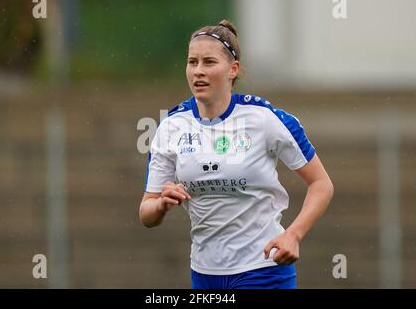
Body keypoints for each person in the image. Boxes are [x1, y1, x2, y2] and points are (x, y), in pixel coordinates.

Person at [139, 19, 334, 289]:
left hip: (263, 268)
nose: (198, 71)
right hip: (204, 273)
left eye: (209, 62)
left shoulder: (264, 119)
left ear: (233, 69)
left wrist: (294, 235)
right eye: (192, 62)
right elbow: (146, 212)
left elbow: (321, 184)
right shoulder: (171, 126)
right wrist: (160, 204)